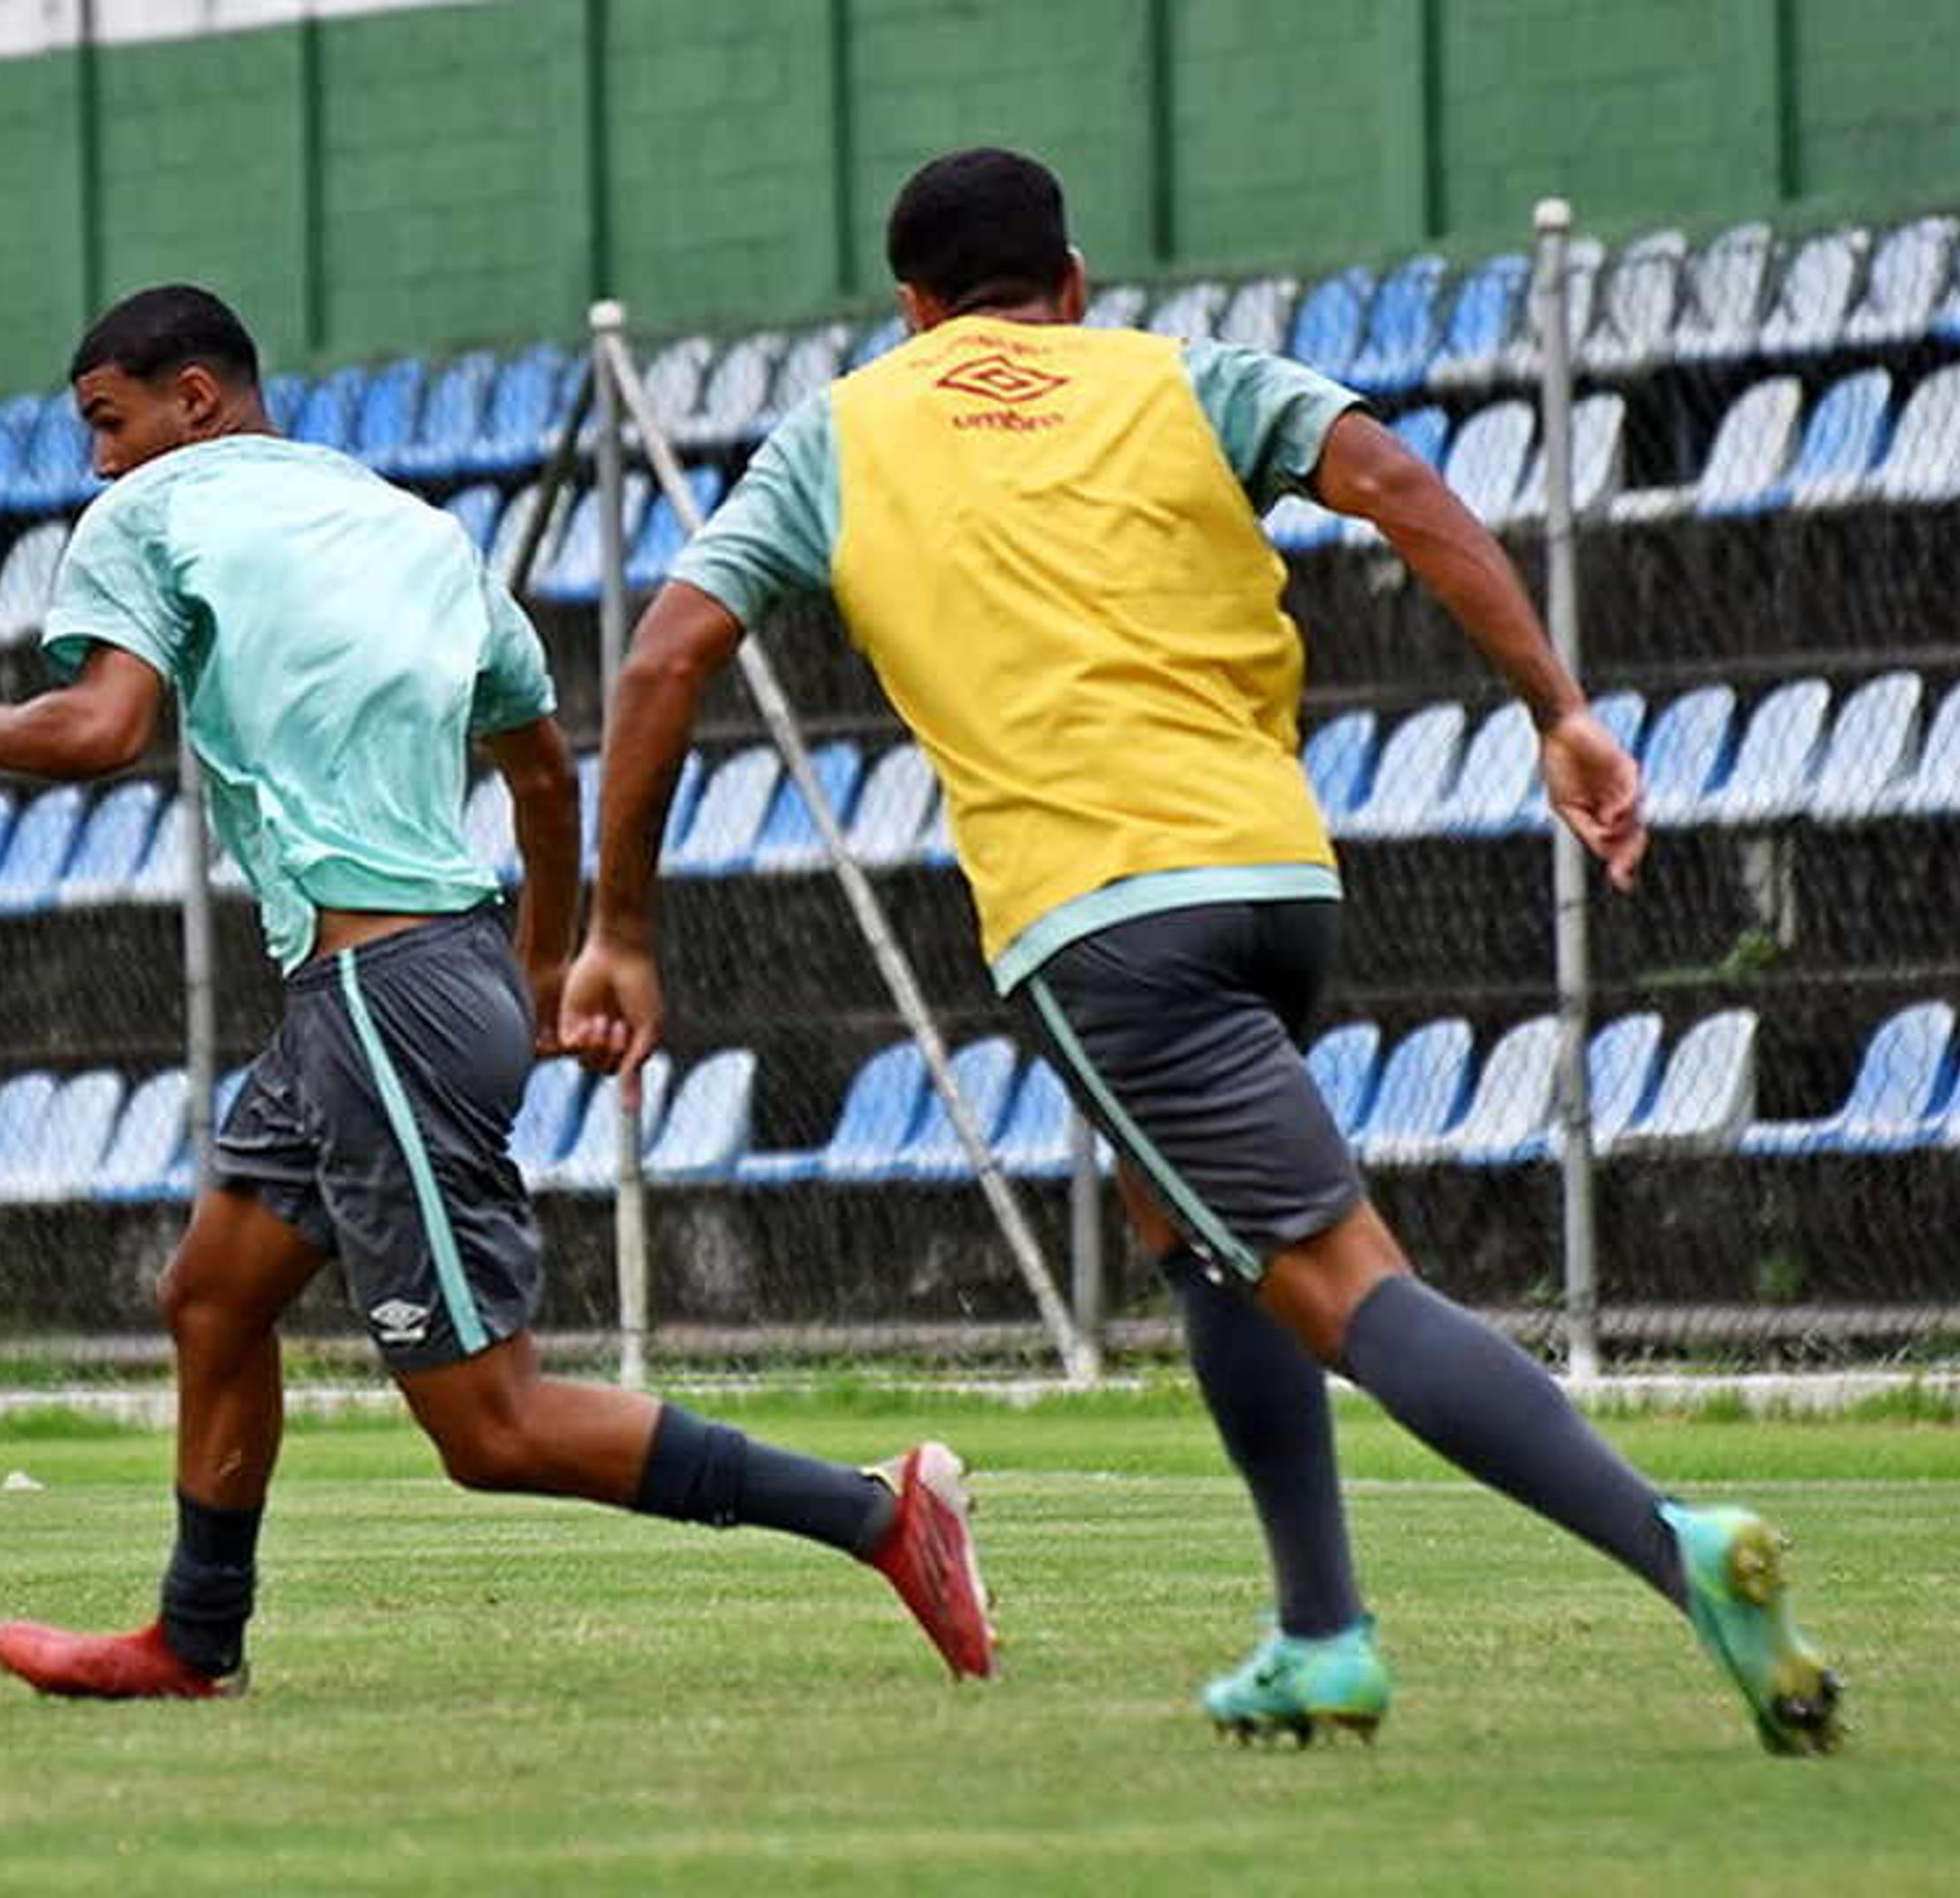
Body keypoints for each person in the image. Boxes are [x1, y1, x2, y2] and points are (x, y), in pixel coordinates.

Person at [565, 148, 1839, 1753]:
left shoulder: (842, 430)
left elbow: (669, 656)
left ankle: (1677, 1549)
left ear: (910, 307)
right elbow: (1402, 486)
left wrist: (617, 930)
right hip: (1275, 876)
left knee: (1341, 1281)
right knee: (1195, 1229)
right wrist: (1558, 712)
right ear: (1074, 283)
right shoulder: (1185, 378)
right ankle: (1320, 1637)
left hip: (1105, 917)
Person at [0, 283, 997, 1702]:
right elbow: (541, 769)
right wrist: (543, 964)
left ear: (198, 400)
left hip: (380, 1002)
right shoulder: (419, 531)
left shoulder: (151, 518)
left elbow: (104, 727)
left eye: (110, 423)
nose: (98, 461)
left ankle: (876, 1513)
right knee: (214, 1299)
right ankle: (192, 1637)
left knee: (494, 1426)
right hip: (403, 981)